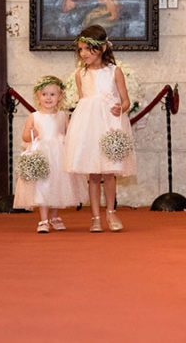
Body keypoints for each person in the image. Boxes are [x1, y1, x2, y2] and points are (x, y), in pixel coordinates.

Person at [63, 24, 136, 232]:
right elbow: (83, 100)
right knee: (93, 174)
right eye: (80, 50)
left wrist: (120, 108)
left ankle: (111, 213)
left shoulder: (114, 72)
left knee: (109, 172)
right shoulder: (80, 74)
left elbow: (126, 101)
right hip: (88, 126)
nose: (84, 53)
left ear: (102, 48)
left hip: (109, 124)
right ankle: (95, 217)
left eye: (88, 49)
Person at [13, 75, 87, 233]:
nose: (48, 98)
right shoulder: (34, 116)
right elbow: (25, 137)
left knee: (58, 185)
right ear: (38, 96)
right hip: (42, 156)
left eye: (52, 94)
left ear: (60, 97)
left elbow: (70, 134)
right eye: (44, 94)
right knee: (43, 186)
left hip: (59, 156)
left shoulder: (62, 116)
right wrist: (31, 134)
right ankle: (43, 220)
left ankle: (54, 216)